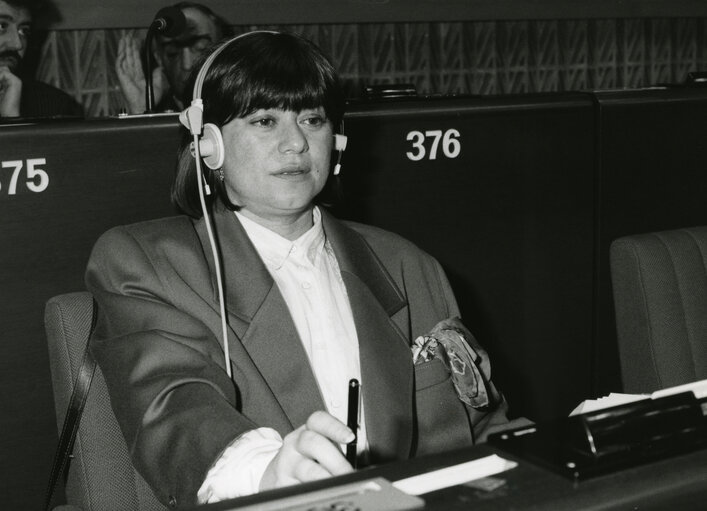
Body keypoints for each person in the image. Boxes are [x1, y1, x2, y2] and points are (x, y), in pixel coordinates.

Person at [86, 31, 514, 508]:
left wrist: (567, 445)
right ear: (208, 145)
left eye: (312, 119)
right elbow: (175, 407)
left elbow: (485, 427)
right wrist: (268, 470)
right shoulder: (148, 262)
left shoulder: (408, 263)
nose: (294, 144)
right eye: (264, 120)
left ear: (337, 139)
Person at [115, 1, 231, 114]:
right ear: (159, 58)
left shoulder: (241, 110)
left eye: (200, 48)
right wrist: (140, 109)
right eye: (173, 52)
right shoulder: (159, 114)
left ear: (221, 51)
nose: (187, 64)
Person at [0, 0, 82, 118]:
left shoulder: (54, 106)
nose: (17, 44)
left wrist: (11, 119)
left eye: (23, 30)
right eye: (2, 26)